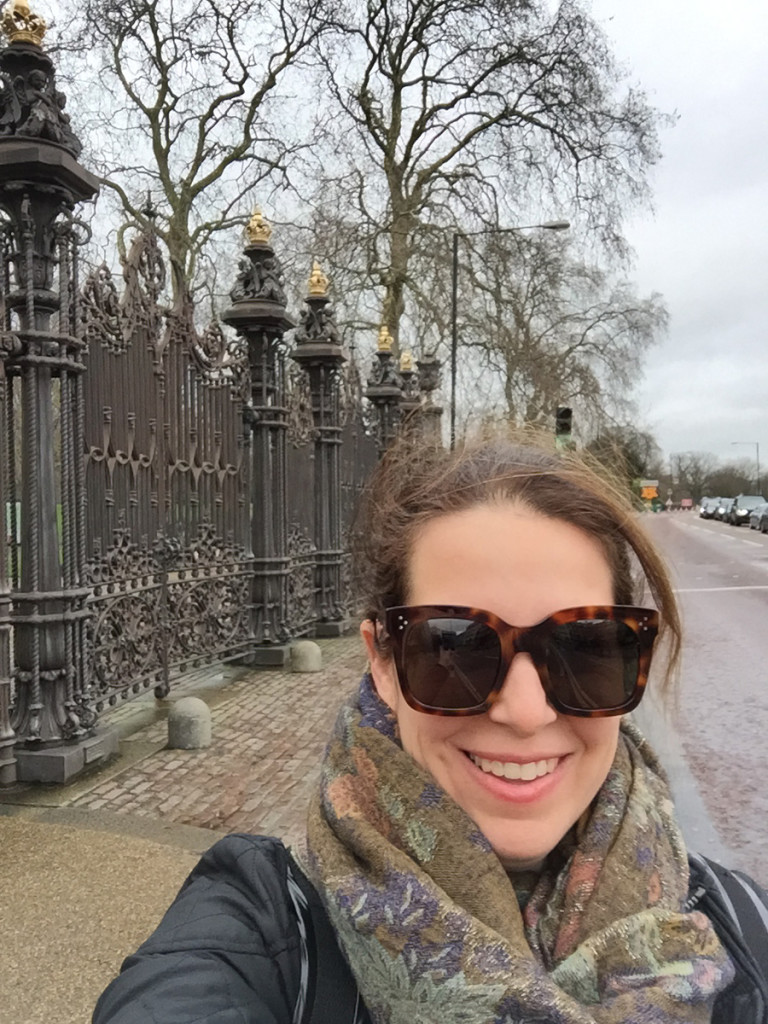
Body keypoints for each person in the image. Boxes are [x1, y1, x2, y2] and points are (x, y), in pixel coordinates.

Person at [93, 432, 768, 1024]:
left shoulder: (743, 926)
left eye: (584, 648)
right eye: (458, 648)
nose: (527, 712)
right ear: (382, 663)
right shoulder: (261, 931)